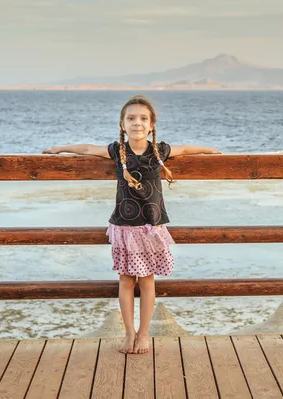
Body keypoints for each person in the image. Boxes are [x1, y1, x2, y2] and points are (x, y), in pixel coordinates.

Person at [43, 95, 221, 354]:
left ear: (151, 125)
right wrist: (59, 149)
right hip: (124, 227)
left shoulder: (159, 151)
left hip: (151, 227)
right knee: (125, 281)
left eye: (143, 118)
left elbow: (185, 149)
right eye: (131, 118)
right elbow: (87, 149)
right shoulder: (117, 151)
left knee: (147, 281)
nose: (137, 123)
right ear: (123, 124)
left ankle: (144, 334)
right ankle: (128, 333)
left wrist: (209, 150)